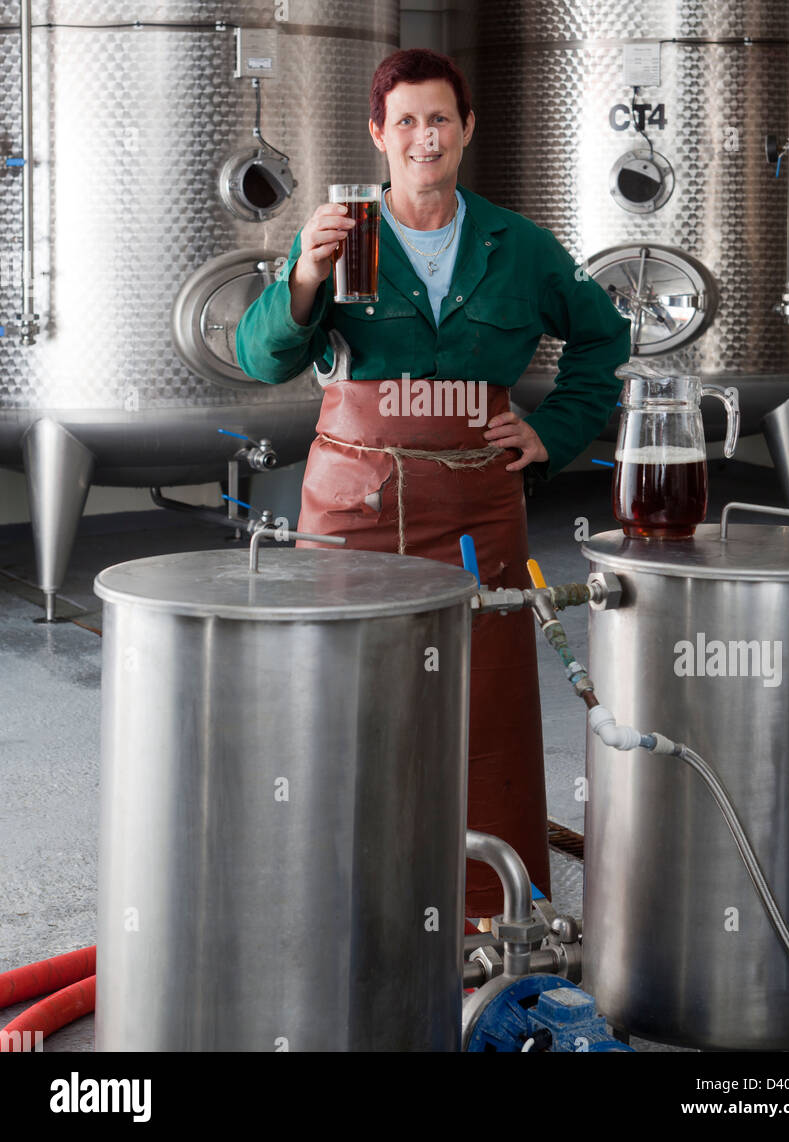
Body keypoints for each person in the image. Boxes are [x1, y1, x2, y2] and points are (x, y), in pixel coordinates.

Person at [235, 48, 631, 916]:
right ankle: (336, 896)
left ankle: (489, 904)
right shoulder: (341, 236)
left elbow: (605, 338)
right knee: (339, 693)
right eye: (406, 121)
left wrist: (553, 433)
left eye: (440, 119)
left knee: (484, 703)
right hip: (351, 505)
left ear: (467, 130)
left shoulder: (517, 245)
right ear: (379, 134)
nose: (425, 137)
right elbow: (259, 359)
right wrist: (303, 272)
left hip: (478, 507)